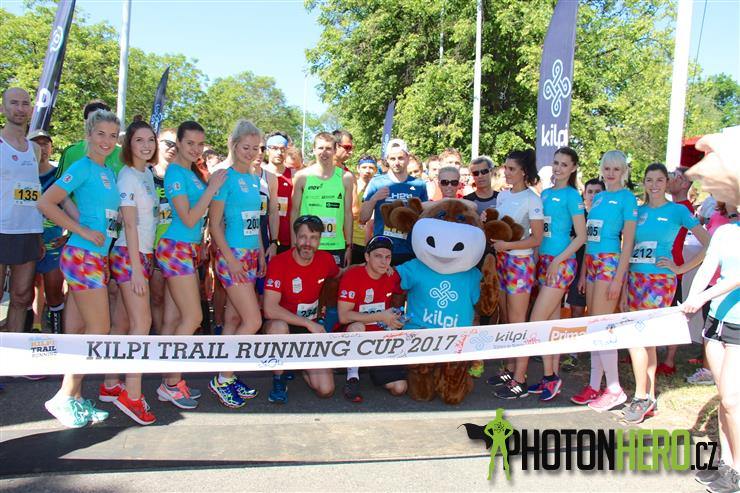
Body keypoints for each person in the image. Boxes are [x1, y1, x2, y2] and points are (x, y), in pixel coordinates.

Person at [38, 109, 121, 428]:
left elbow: (78, 204)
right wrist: (81, 230)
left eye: (112, 136)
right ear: (88, 134)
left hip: (95, 257)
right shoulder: (83, 166)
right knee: (99, 328)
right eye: (101, 134)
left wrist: (84, 224)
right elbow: (46, 202)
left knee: (83, 330)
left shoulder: (106, 170)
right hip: (82, 256)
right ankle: (63, 396)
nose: (107, 141)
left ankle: (74, 396)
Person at [621, 163, 709, 424]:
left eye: (660, 180)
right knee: (645, 340)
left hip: (660, 282)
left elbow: (709, 243)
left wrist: (680, 267)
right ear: (644, 183)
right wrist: (623, 286)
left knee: (638, 337)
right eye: (649, 180)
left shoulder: (677, 211)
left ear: (667, 183)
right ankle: (648, 396)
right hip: (635, 280)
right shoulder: (637, 212)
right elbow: (628, 249)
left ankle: (640, 396)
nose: (654, 185)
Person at [682, 129, 740, 493]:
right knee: (725, 398)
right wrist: (692, 300)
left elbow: (735, 278)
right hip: (717, 323)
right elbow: (707, 269)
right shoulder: (725, 231)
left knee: (733, 399)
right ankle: (728, 465)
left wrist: (700, 298)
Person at [155, 121, 226, 409]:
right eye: (189, 143)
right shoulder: (175, 172)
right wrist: (212, 189)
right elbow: (187, 218)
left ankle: (169, 381)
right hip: (175, 248)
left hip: (187, 249)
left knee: (174, 320)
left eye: (200, 144)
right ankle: (172, 383)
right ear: (179, 144)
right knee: (194, 317)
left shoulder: (191, 172)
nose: (196, 149)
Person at [99, 120, 160, 425]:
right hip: (129, 256)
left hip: (142, 255)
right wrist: (137, 268)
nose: (146, 145)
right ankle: (132, 396)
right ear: (129, 144)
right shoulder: (127, 177)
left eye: (150, 140)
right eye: (139, 140)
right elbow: (131, 225)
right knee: (142, 323)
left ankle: (111, 384)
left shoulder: (146, 173)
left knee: (123, 323)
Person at [207, 120, 266, 408]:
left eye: (256, 148)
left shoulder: (255, 179)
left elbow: (254, 223)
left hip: (251, 255)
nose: (251, 153)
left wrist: (262, 253)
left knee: (233, 320)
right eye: (246, 147)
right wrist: (230, 259)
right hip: (232, 256)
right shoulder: (224, 177)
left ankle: (228, 376)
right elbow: (214, 224)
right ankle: (222, 378)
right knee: (253, 321)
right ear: (234, 145)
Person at [574, 150, 637, 411]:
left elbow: (628, 242)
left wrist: (618, 280)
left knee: (602, 327)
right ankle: (594, 385)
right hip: (592, 264)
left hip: (610, 263)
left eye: (616, 169)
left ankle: (614, 388)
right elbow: (590, 239)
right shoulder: (598, 198)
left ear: (623, 171)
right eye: (607, 168)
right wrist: (583, 273)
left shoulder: (627, 198)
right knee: (594, 326)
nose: (611, 173)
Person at [523, 147, 586, 401]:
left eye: (564, 164)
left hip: (561, 264)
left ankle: (551, 377)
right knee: (551, 324)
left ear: (573, 168)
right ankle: (550, 376)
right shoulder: (546, 194)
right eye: (556, 163)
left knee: (536, 319)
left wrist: (558, 261)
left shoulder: (572, 196)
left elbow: (581, 237)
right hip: (544, 262)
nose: (559, 168)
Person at [263, 215, 341, 403]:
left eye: (313, 238)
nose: (308, 243)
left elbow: (342, 274)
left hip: (310, 330)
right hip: (283, 327)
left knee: (326, 390)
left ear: (320, 240)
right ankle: (279, 378)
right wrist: (307, 322)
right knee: (278, 327)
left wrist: (366, 267)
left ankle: (297, 364)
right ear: (295, 238)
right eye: (303, 237)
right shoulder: (279, 262)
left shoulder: (326, 259)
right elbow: (269, 309)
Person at [489, 150, 544, 400]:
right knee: (505, 318)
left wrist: (508, 246)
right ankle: (510, 370)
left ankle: (521, 379)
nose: (506, 172)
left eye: (511, 169)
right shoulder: (502, 196)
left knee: (518, 322)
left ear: (524, 172)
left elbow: (536, 239)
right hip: (502, 261)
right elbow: (501, 228)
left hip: (520, 264)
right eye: (505, 167)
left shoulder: (533, 199)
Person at [338, 235, 406, 402]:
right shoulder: (353, 275)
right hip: (354, 334)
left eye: (387, 257)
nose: (383, 262)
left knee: (400, 388)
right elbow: (344, 316)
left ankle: (374, 367)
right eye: (378, 256)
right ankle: (352, 377)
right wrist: (381, 315)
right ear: (367, 257)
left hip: (380, 336)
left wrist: (399, 317)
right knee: (357, 327)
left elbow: (404, 296)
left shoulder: (392, 275)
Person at [0, 88, 44, 333]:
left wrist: (39, 235)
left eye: (25, 103)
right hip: (1, 228)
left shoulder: (35, 149)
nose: (20, 108)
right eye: (14, 103)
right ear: (3, 108)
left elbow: (34, 192)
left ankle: (12, 350)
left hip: (28, 230)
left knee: (21, 296)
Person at [360, 139, 429, 266]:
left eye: (400, 158)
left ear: (407, 158)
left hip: (410, 249)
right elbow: (363, 218)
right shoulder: (376, 182)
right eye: (392, 159)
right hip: (383, 250)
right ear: (387, 159)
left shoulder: (419, 185)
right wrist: (374, 199)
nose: (396, 162)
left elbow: (424, 219)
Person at [291, 132, 354, 268]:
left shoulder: (346, 178)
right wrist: (293, 243)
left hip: (335, 245)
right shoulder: (302, 177)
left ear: (335, 150)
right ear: (314, 149)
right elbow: (294, 212)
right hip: (307, 244)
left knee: (333, 281)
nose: (324, 152)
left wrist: (349, 245)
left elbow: (348, 214)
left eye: (328, 148)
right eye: (320, 148)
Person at [657, 166, 696, 375]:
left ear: (685, 184)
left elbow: (706, 241)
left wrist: (680, 267)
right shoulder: (668, 206)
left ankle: (669, 360)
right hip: (656, 267)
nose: (670, 180)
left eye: (676, 177)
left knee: (672, 314)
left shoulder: (684, 208)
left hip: (671, 269)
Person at [28, 129, 65, 334]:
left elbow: (75, 207)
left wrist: (69, 236)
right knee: (23, 294)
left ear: (51, 147)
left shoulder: (60, 175)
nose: (41, 148)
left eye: (45, 143)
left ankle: (58, 336)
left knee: (54, 293)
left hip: (53, 243)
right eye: (37, 143)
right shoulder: (22, 173)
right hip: (26, 241)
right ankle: (24, 335)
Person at [150, 128, 177, 335]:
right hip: (151, 246)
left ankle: (171, 340)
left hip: (177, 247)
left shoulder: (182, 175)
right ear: (158, 143)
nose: (172, 148)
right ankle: (159, 339)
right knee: (157, 297)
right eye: (168, 143)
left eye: (177, 145)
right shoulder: (146, 174)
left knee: (175, 300)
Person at [55, 99, 122, 178]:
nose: (106, 140)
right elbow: (61, 183)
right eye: (92, 120)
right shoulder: (72, 153)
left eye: (113, 135)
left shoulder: (122, 155)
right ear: (86, 123)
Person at [567, 179, 604, 319]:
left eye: (597, 192)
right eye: (590, 192)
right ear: (584, 194)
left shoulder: (609, 216)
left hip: (600, 270)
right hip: (576, 270)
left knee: (596, 314)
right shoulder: (577, 215)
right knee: (576, 312)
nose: (593, 195)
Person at [262, 131, 294, 254]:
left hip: (287, 239)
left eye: (282, 149)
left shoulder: (294, 176)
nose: (279, 152)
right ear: (267, 150)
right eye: (274, 148)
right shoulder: (258, 175)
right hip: (263, 237)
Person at [351, 155, 378, 265]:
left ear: (376, 170)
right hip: (352, 241)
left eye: (371, 168)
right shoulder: (351, 186)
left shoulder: (378, 188)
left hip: (371, 241)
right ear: (358, 168)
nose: (367, 171)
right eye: (364, 167)